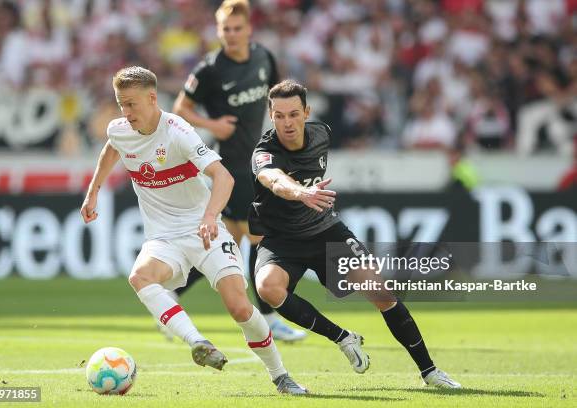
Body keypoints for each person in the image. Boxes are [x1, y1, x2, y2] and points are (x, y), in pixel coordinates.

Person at [80, 66, 307, 395]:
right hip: (163, 237)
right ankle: (198, 342)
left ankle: (280, 375)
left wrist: (210, 216)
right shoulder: (119, 129)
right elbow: (111, 148)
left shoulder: (178, 131)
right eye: (120, 104)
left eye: (131, 104)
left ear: (152, 98)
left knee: (240, 309)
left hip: (205, 230)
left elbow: (224, 177)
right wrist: (94, 191)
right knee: (139, 276)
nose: (125, 113)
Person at [249, 79, 462, 389]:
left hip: (325, 233)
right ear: (271, 116)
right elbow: (274, 180)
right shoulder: (264, 153)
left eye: (293, 114)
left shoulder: (321, 133)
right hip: (282, 239)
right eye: (279, 115)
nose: (287, 123)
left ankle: (430, 371)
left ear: (307, 112)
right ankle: (342, 338)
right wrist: (300, 193)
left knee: (382, 293)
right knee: (268, 287)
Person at [172, 0, 305, 342]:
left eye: (236, 28)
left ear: (248, 29)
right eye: (225, 30)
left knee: (229, 240)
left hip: (258, 158)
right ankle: (271, 316)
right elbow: (179, 109)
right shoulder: (210, 68)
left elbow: (277, 97)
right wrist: (212, 124)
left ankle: (170, 296)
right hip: (229, 165)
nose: (231, 35)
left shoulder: (263, 57)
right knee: (260, 237)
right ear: (219, 32)